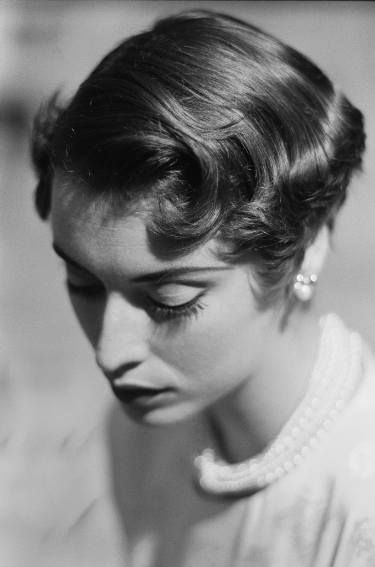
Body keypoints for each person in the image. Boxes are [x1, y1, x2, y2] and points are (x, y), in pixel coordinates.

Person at [31, 9, 375, 566]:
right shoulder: (141, 435)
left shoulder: (362, 509)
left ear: (306, 246)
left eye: (170, 300)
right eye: (83, 282)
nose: (110, 352)